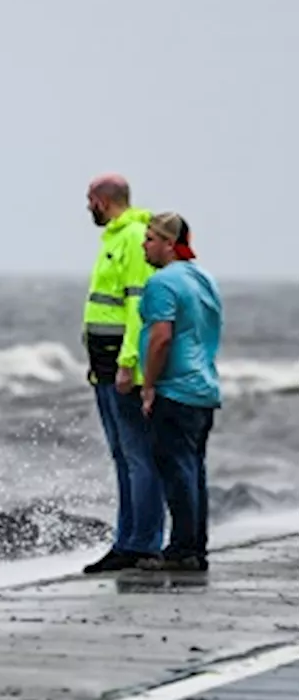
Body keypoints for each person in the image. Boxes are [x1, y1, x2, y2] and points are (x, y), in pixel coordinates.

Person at [80, 174, 164, 573]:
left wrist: (129, 363)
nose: (87, 209)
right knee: (122, 455)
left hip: (121, 364)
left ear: (101, 200)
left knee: (138, 455)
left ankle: (144, 543)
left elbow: (137, 305)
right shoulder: (112, 238)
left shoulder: (131, 237)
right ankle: (125, 540)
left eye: (88, 201)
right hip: (103, 364)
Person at [137, 212, 222, 573]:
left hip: (175, 389)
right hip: (204, 386)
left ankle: (182, 550)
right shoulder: (204, 278)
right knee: (193, 471)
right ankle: (194, 547)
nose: (144, 244)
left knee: (177, 471)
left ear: (169, 244)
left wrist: (150, 386)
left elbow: (161, 338)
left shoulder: (162, 283)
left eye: (151, 239)